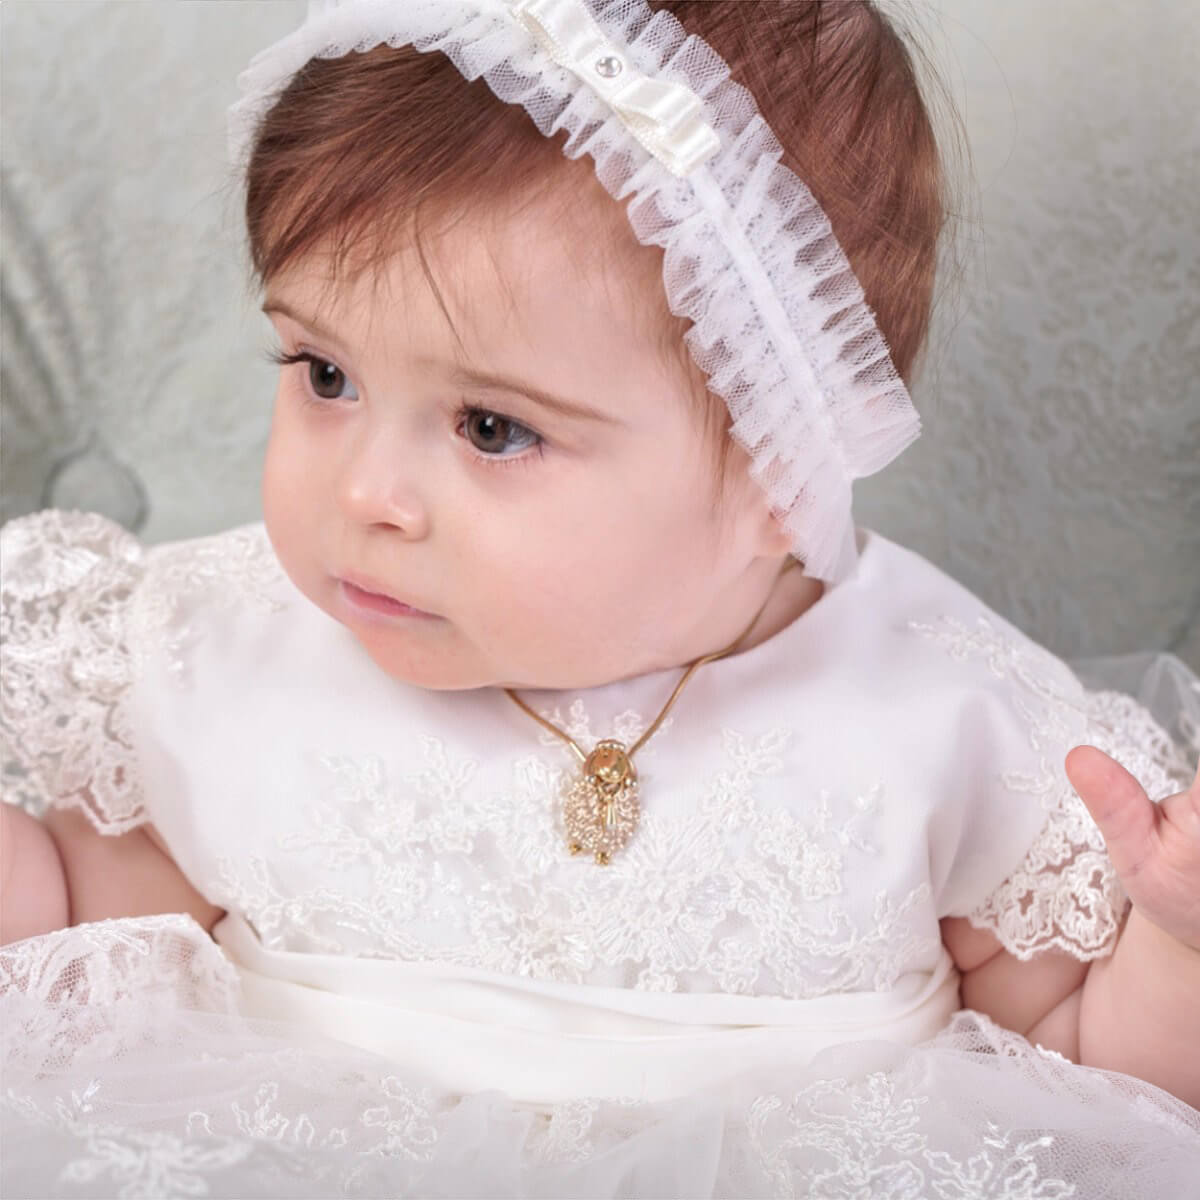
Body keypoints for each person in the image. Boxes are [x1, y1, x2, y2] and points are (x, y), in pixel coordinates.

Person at [1, 1, 1198, 1195]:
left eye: (491, 428)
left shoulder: (941, 708)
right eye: (326, 374)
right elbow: (89, 932)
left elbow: (1095, 1080)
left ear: (782, 473)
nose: (367, 492)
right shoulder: (239, 652)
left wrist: (1178, 950)